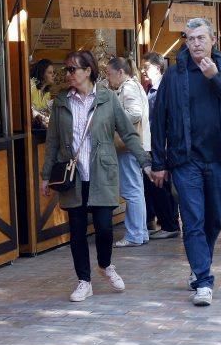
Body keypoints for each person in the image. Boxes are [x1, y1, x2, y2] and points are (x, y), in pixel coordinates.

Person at [150, 18, 221, 306]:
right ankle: (203, 280)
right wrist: (159, 161)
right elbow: (160, 121)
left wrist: (215, 77)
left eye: (201, 38)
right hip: (185, 158)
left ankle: (199, 263)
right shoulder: (174, 73)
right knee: (192, 219)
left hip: (218, 157)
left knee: (214, 218)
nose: (195, 43)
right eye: (190, 39)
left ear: (213, 40)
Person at [40, 50, 153, 302]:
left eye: (72, 69)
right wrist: (45, 176)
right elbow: (53, 142)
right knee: (78, 232)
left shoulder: (107, 98)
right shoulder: (61, 102)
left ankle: (105, 265)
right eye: (66, 69)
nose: (67, 74)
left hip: (102, 172)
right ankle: (84, 281)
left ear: (87, 71)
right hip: (74, 176)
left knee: (104, 228)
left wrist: (145, 162)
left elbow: (128, 133)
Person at [103, 57, 151, 248]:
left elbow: (135, 113)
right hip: (135, 145)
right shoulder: (134, 86)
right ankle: (141, 232)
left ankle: (135, 234)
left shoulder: (129, 87)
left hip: (129, 146)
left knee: (132, 190)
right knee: (136, 190)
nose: (108, 77)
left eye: (109, 73)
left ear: (120, 72)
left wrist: (114, 119)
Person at [141, 52, 179, 239]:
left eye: (146, 67)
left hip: (162, 143)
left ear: (157, 67)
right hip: (154, 142)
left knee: (161, 184)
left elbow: (163, 119)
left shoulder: (164, 87)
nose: (143, 71)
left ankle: (169, 224)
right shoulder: (151, 89)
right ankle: (168, 221)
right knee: (159, 184)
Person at [31, 58, 55, 129]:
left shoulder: (47, 93)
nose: (53, 75)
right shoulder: (31, 85)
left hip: (40, 128)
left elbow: (45, 112)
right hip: (29, 129)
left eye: (53, 72)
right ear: (41, 73)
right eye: (50, 72)